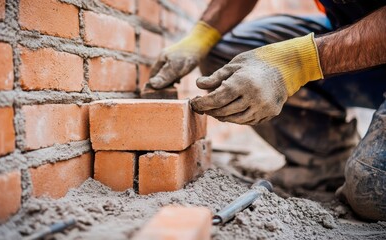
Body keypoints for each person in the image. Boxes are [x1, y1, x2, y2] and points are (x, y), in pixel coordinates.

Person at [149, 0, 386, 221]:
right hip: (353, 38)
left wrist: (299, 61)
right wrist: (200, 37)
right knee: (226, 54)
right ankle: (325, 161)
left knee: (372, 190)